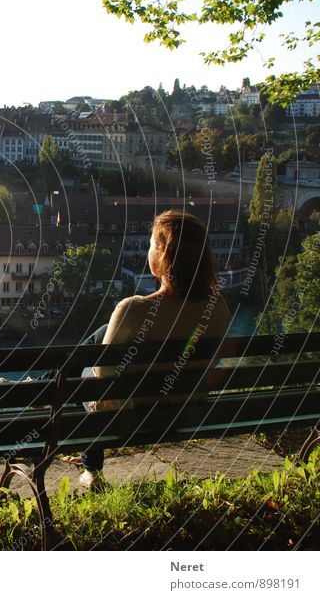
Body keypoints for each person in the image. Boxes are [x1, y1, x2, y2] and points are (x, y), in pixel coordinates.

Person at [78, 210, 231, 491]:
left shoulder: (132, 310)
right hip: (187, 409)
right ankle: (42, 382)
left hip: (134, 416)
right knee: (101, 334)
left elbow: (104, 378)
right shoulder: (217, 306)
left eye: (150, 243)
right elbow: (211, 364)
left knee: (82, 373)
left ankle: (91, 469)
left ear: (162, 253)